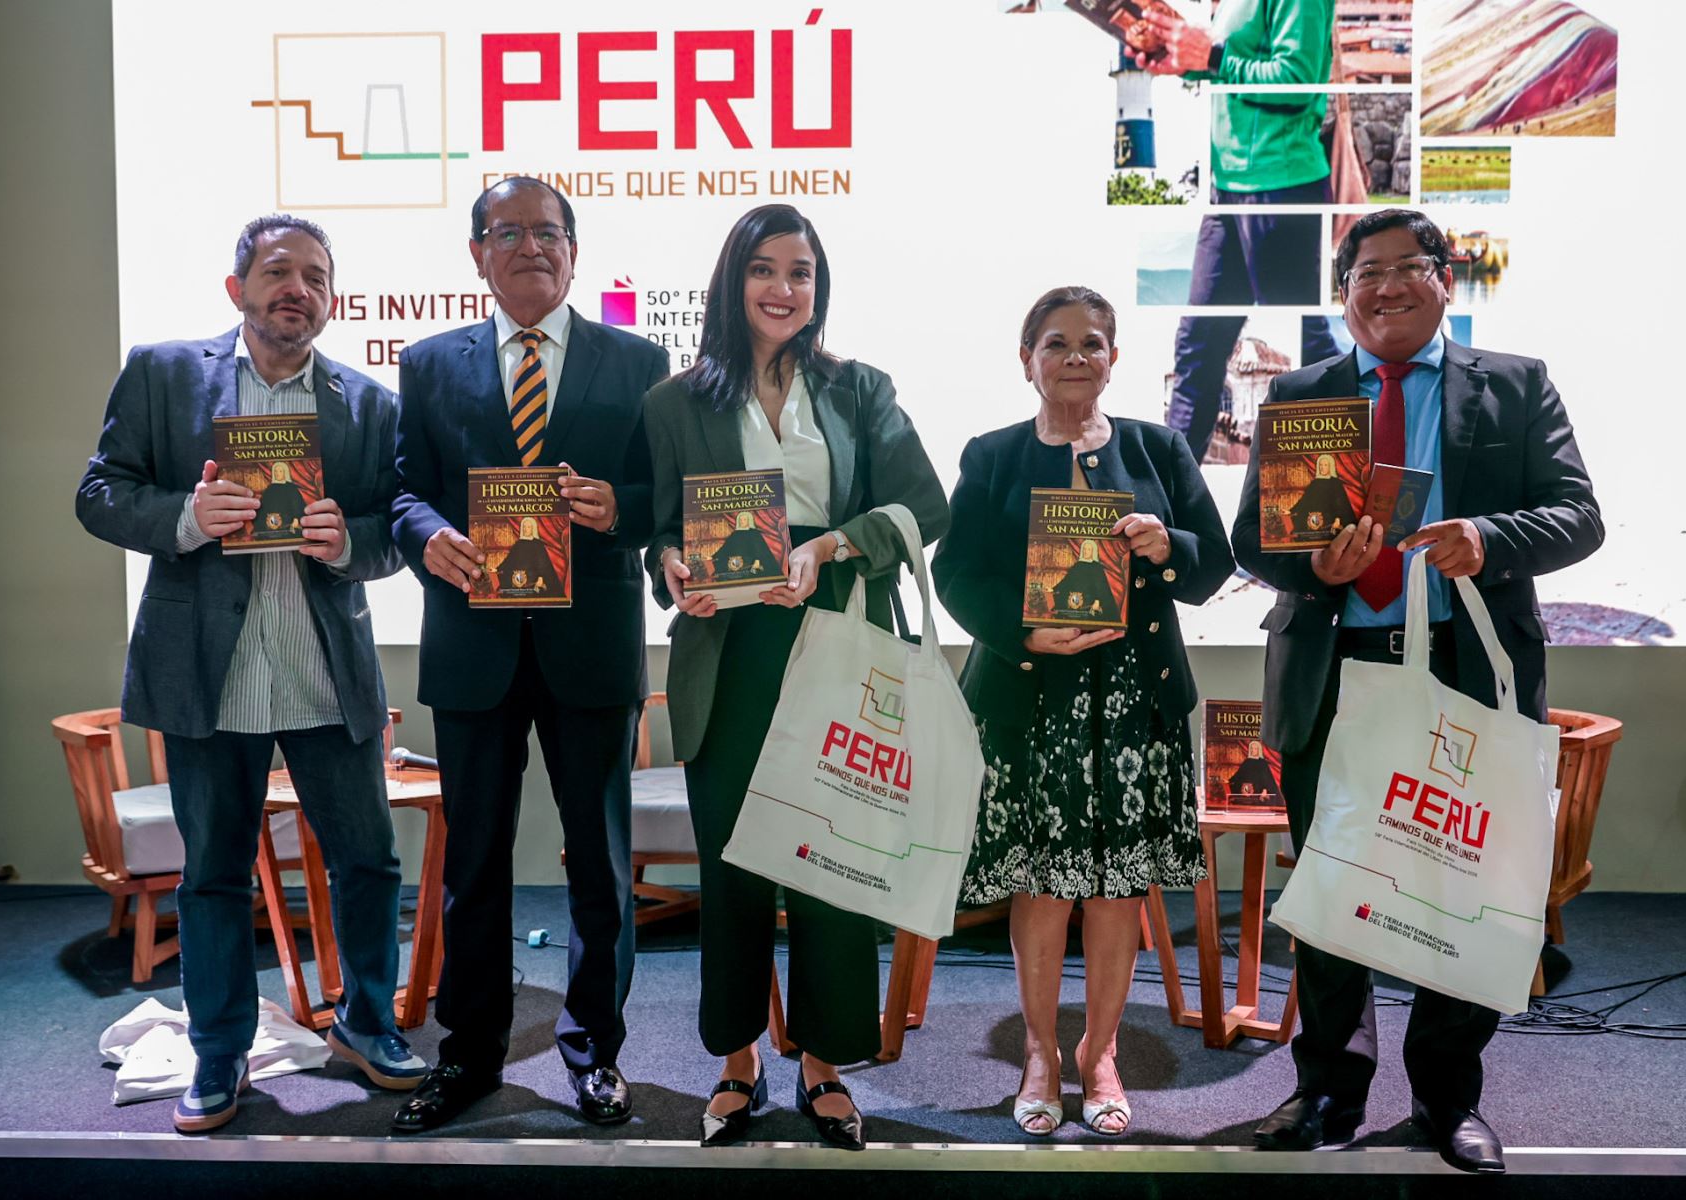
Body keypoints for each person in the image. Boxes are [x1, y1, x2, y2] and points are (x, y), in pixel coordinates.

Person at [1231, 209, 1603, 1173]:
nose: (1386, 287)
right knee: (1328, 891)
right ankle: (1325, 1090)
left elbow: (1578, 516)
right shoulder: (1303, 392)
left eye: (1408, 269)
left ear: (1445, 280)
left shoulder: (1515, 386)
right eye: (1366, 273)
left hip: (1465, 669)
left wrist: (1491, 541)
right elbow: (1251, 543)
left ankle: (1447, 1100)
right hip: (1336, 669)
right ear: (1342, 293)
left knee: (1466, 890)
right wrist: (1312, 562)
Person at [75, 214, 424, 1132]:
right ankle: (221, 1052)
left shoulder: (368, 402)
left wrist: (353, 542)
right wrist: (187, 516)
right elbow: (100, 491)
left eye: (315, 276)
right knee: (216, 876)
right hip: (206, 673)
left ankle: (368, 1020)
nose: (296, 289)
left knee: (369, 862)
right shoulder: (162, 372)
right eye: (278, 272)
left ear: (332, 299)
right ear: (237, 288)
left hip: (322, 672)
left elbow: (398, 532)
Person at [643, 203, 948, 1150]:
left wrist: (830, 548)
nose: (785, 289)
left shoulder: (860, 389)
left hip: (835, 643)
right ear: (733, 281)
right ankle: (735, 1064)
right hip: (729, 656)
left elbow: (922, 506)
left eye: (802, 272)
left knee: (832, 869)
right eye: (766, 269)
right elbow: (658, 532)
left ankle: (823, 1066)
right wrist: (673, 569)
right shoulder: (674, 401)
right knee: (733, 868)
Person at [390, 177, 670, 1133]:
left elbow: (661, 494)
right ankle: (467, 1055)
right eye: (507, 233)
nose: (530, 247)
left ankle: (595, 1050)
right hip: (472, 647)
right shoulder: (427, 364)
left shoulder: (638, 360)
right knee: (474, 865)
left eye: (548, 232)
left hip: (589, 645)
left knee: (600, 866)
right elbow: (402, 490)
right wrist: (428, 536)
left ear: (575, 250)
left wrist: (617, 508)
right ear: (477, 255)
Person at [934, 287, 1235, 1137]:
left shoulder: (1160, 447)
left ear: (1113, 359)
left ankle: (1098, 1054)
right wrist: (1026, 631)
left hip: (1135, 705)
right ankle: (1038, 1051)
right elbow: (956, 574)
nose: (1075, 356)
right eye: (1056, 342)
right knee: (1039, 887)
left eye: (1093, 343)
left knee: (1115, 890)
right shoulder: (991, 455)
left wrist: (1166, 547)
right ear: (1026, 358)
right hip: (1029, 704)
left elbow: (1214, 567)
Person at [1135, 0, 1339, 461]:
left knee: (1306, 351)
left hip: (1281, 186)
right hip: (1227, 188)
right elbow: (1234, 63)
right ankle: (1169, 500)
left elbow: (1298, 79)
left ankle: (1332, 492)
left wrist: (1212, 57)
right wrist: (1185, 64)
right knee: (1198, 347)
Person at [1287, 453, 1358, 541]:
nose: (1322, 467)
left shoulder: (1335, 483)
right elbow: (1304, 501)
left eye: (1325, 465)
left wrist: (1338, 519)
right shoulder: (1314, 483)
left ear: (1330, 466)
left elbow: (1341, 504)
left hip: (1330, 520)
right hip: (1313, 519)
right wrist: (1291, 511)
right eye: (1320, 465)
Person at [491, 515, 559, 598]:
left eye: (528, 527)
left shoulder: (537, 544)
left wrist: (541, 578)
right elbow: (508, 561)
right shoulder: (518, 545)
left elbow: (543, 564)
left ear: (532, 528)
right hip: (518, 581)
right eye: (524, 526)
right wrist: (497, 569)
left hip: (533, 580)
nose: (525, 529)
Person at [254, 459, 306, 541]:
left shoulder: (291, 488)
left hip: (287, 524)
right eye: (275, 471)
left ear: (285, 472)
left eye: (280, 471)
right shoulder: (270, 489)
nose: (277, 473)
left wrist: (296, 519)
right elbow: (263, 508)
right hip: (269, 527)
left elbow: (297, 506)